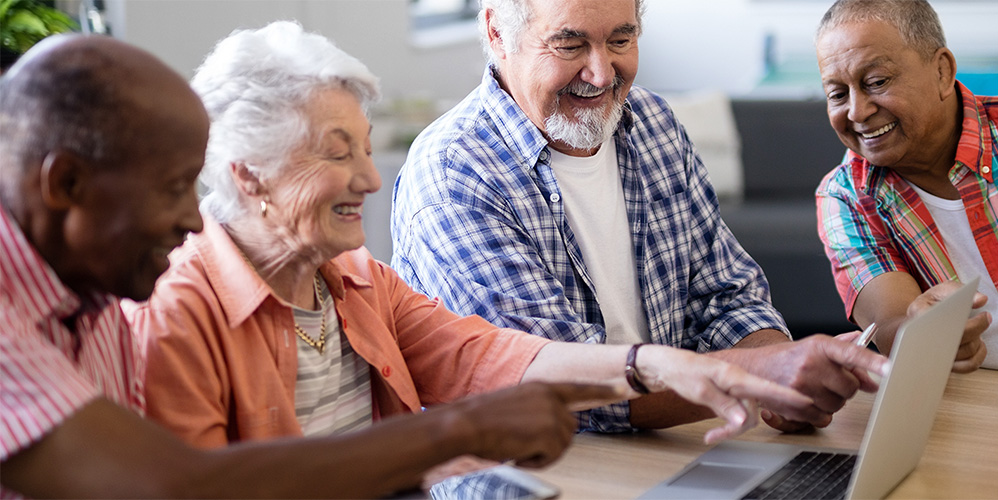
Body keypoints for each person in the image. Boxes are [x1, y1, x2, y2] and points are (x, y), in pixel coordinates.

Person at [124, 19, 828, 479]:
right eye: (338, 156)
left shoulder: (354, 280)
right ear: (248, 174)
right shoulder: (179, 310)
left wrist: (675, 366)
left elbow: (499, 355)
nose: (371, 181)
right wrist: (730, 372)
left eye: (366, 151)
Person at [0, 33, 640, 499]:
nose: (194, 220)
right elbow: (178, 487)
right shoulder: (156, 299)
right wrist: (459, 430)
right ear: (67, 185)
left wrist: (658, 366)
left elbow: (480, 354)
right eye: (172, 188)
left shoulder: (100, 292)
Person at [391, 0, 888, 433]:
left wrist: (783, 378)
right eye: (570, 45)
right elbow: (563, 388)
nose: (602, 73)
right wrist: (760, 375)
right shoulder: (454, 177)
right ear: (499, 34)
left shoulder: (653, 123)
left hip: (669, 441)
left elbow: (725, 295)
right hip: (536, 474)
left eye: (621, 39)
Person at [814, 0, 997, 372]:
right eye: (837, 94)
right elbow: (895, 330)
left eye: (877, 82)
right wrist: (923, 333)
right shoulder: (845, 197)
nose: (857, 111)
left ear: (942, 72)